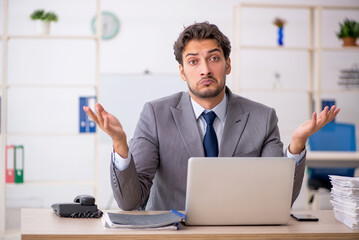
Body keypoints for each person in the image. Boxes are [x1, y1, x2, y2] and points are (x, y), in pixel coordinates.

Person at [84, 22, 339, 211]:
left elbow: (279, 200)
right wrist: (120, 144)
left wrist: (297, 145)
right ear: (182, 72)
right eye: (193, 62)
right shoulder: (155, 115)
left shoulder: (263, 117)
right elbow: (131, 202)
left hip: (237, 234)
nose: (205, 69)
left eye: (214, 58)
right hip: (172, 234)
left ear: (227, 64)